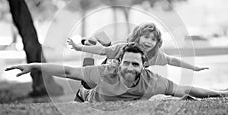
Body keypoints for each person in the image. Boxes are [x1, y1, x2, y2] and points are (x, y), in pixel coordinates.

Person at [5, 43, 228, 102]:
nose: (130, 68)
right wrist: (33, 66)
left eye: (135, 64)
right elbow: (66, 70)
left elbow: (186, 89)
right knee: (84, 82)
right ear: (119, 63)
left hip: (107, 91)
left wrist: (223, 93)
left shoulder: (153, 81)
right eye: (126, 63)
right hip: (91, 95)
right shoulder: (105, 71)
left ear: (144, 67)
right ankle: (84, 83)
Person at [67, 22, 208, 71]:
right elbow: (103, 51)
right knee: (87, 74)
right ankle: (91, 41)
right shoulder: (125, 48)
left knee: (110, 49)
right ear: (137, 37)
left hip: (117, 66)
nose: (149, 41)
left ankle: (104, 40)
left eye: (153, 39)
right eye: (146, 37)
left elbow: (172, 60)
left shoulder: (154, 55)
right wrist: (80, 48)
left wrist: (193, 67)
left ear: (157, 43)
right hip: (108, 64)